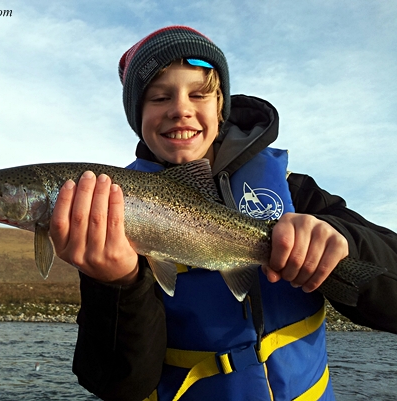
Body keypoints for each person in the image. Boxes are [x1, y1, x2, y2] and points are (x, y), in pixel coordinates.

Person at [49, 26, 397, 401]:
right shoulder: (113, 213)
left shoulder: (295, 190)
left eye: (198, 94)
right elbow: (119, 386)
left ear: (221, 107)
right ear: (138, 115)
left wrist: (341, 242)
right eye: (159, 97)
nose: (180, 108)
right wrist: (116, 284)